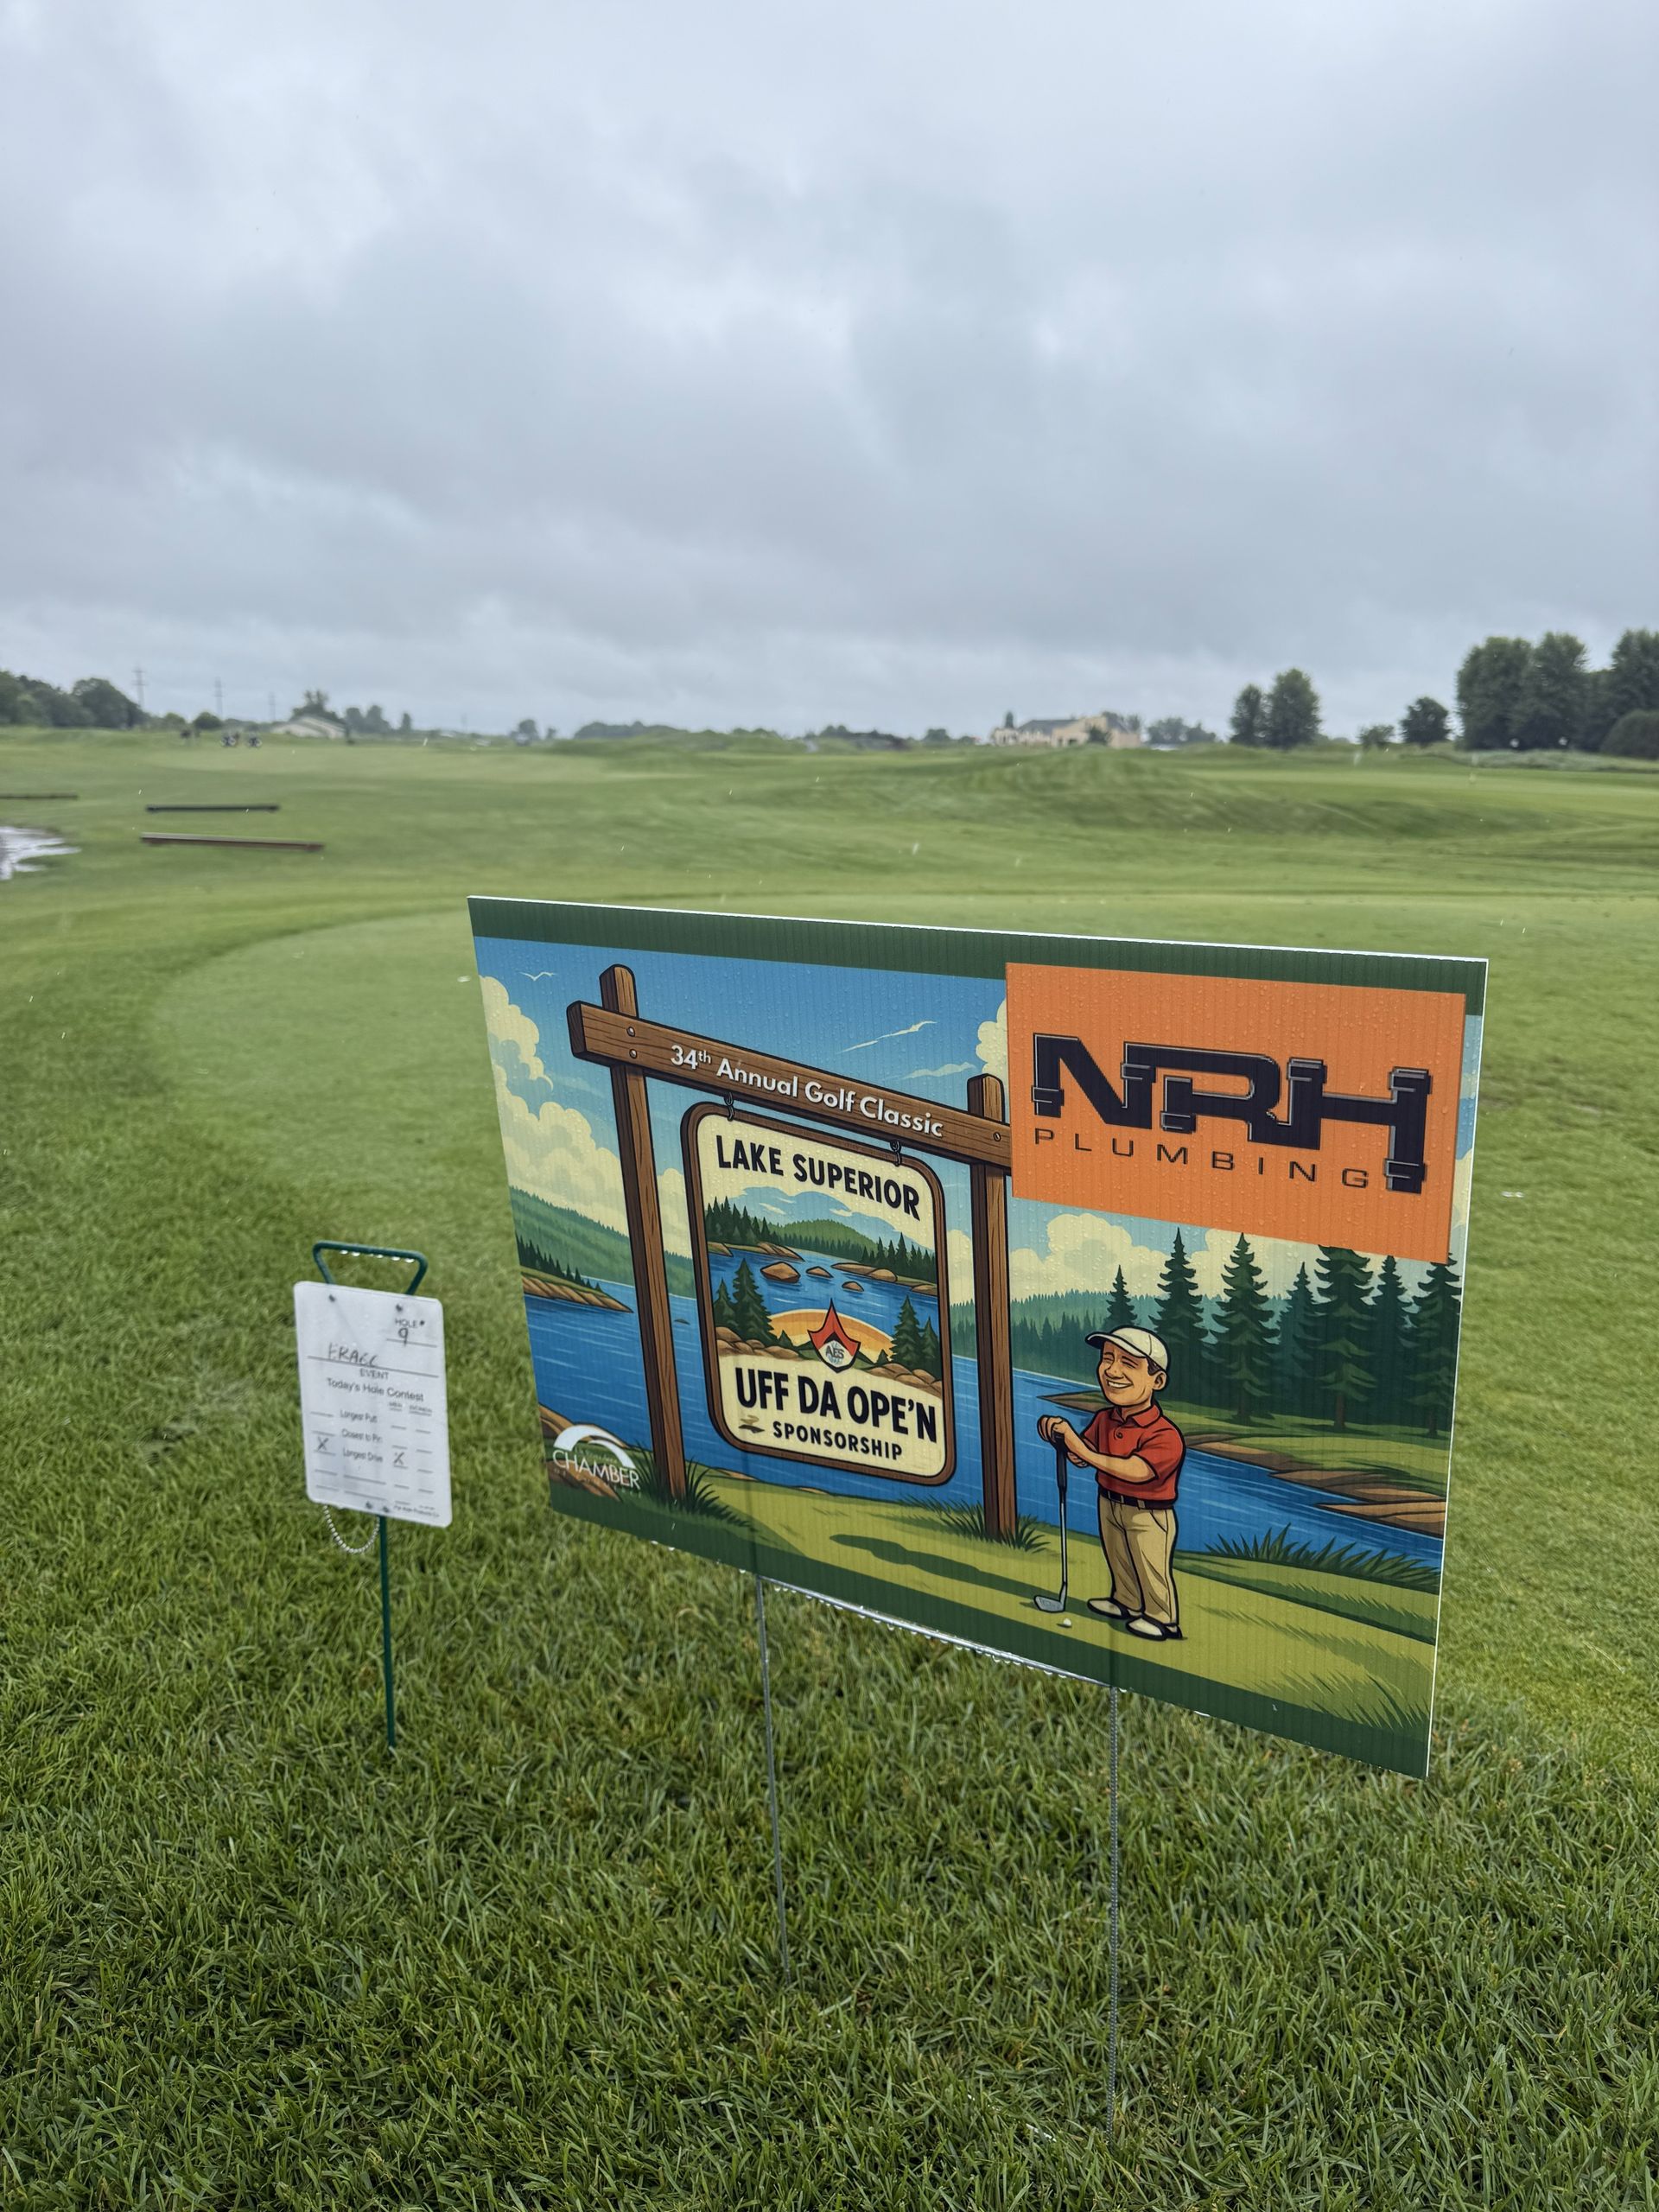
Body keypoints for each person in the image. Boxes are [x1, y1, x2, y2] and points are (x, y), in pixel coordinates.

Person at [1037, 1325, 1185, 1641]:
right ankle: (1126, 1602)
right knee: (1118, 1558)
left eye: (1129, 1363)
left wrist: (1079, 1449)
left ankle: (1162, 1618)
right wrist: (1061, 1437)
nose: (1112, 1371)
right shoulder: (1105, 1418)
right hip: (1109, 1501)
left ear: (1157, 1380)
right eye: (1108, 1359)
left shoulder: (1165, 1433)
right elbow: (1084, 1456)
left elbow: (1136, 1470)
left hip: (1149, 1513)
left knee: (1150, 1566)